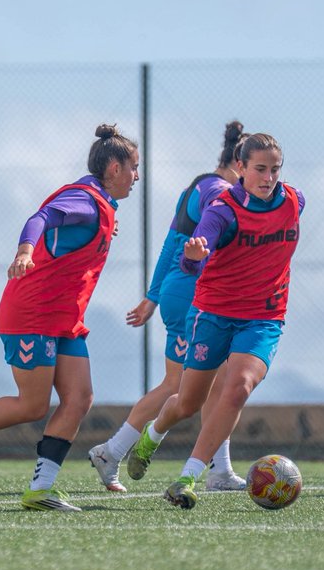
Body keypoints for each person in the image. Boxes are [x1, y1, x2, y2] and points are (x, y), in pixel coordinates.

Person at [0, 124, 138, 512]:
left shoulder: (100, 206)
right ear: (112, 167)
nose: (136, 176)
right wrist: (25, 251)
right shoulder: (85, 202)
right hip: (32, 313)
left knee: (79, 398)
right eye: (133, 167)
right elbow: (40, 218)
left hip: (64, 318)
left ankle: (41, 488)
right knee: (32, 406)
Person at [122, 132, 304, 509]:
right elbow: (194, 259)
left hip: (263, 318)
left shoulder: (295, 201)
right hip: (214, 314)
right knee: (187, 402)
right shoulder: (222, 209)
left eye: (274, 169)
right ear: (240, 168)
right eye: (259, 169)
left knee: (237, 388)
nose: (268, 177)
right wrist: (192, 255)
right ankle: (152, 436)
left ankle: (188, 477)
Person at [87, 120, 249, 494]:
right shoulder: (219, 192)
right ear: (240, 165)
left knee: (195, 384)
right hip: (195, 294)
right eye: (257, 168)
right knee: (195, 384)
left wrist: (154, 296)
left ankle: (213, 468)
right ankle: (118, 451)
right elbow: (200, 245)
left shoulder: (199, 184)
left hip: (183, 292)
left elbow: (169, 244)